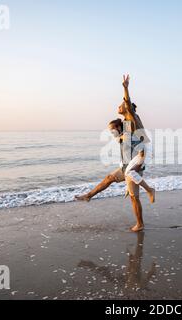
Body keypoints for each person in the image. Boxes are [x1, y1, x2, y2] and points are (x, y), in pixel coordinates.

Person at [75, 75, 155, 232]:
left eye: (121, 105)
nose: (118, 107)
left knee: (134, 197)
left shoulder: (132, 119)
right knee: (109, 178)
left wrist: (125, 87)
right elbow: (122, 140)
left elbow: (128, 106)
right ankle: (89, 196)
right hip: (127, 164)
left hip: (138, 160)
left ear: (126, 107)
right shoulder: (124, 126)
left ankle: (140, 223)